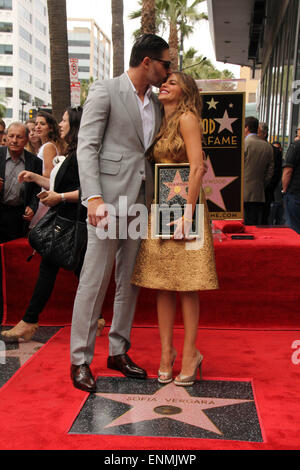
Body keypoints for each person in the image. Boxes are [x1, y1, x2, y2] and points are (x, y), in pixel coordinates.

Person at [70, 34, 171, 393]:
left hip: (141, 203)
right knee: (94, 280)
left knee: (129, 281)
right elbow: (88, 146)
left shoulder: (157, 104)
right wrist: (93, 198)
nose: (168, 70)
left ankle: (117, 351)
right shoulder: (106, 90)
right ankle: (80, 358)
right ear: (146, 62)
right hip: (107, 203)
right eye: (165, 63)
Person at [131, 72, 218, 387]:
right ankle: (166, 354)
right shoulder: (160, 123)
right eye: (163, 82)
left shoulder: (187, 119)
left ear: (187, 91)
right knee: (163, 283)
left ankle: (190, 354)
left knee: (187, 283)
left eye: (173, 82)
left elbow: (197, 167)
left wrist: (188, 214)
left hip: (186, 205)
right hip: (162, 203)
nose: (164, 85)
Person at [1, 106, 105, 341]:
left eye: (65, 120)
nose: (60, 123)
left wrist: (60, 197)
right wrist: (34, 177)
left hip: (73, 220)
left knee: (53, 266)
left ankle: (29, 320)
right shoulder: (74, 152)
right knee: (78, 269)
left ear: (75, 125)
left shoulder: (82, 155)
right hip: (67, 219)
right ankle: (95, 318)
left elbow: (91, 191)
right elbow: (59, 185)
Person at [0, 122, 42, 243]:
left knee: (13, 253)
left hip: (18, 216)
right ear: (6, 137)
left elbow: (36, 190)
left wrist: (32, 207)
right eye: (11, 136)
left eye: (19, 137)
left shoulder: (35, 162)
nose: (14, 140)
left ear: (26, 139)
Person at [243, 116, 274, 225]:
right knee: (254, 226)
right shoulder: (267, 147)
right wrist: (261, 184)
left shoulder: (243, 145)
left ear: (246, 128)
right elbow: (270, 172)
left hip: (240, 193)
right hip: (258, 193)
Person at [258, 122, 283, 225]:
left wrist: (265, 187)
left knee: (264, 220)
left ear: (264, 134)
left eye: (257, 132)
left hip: (266, 194)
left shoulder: (274, 151)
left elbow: (275, 174)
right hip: (259, 192)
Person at [281, 139, 300, 234]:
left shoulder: (295, 146)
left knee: (294, 230)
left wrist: (284, 189)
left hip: (295, 194)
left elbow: (288, 171)